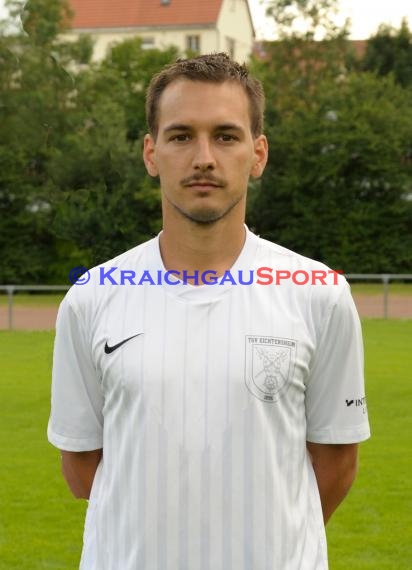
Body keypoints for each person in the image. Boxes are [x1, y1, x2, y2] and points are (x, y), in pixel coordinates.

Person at [48, 52, 370, 569]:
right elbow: (83, 469)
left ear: (258, 154)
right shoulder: (93, 297)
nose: (203, 157)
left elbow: (336, 463)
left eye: (225, 135)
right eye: (180, 136)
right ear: (151, 153)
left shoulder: (318, 292)